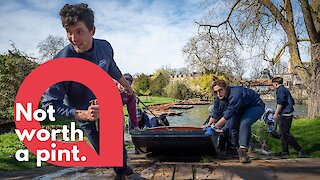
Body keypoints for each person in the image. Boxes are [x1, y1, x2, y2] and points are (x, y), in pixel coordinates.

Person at [41, 3, 134, 177]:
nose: (73, 38)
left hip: (108, 105)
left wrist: (127, 87)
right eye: (69, 32)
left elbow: (112, 67)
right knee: (105, 153)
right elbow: (49, 104)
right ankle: (117, 165)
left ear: (93, 30)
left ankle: (121, 168)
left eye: (79, 31)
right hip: (83, 113)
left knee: (117, 149)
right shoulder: (61, 62)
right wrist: (83, 114)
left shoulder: (105, 47)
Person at [212, 79, 265, 163]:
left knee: (244, 123)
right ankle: (234, 150)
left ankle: (243, 153)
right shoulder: (218, 98)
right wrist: (207, 125)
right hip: (240, 108)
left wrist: (215, 127)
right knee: (233, 127)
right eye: (216, 92)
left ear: (225, 88)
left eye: (220, 90)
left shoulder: (235, 94)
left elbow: (228, 114)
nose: (218, 93)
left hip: (255, 106)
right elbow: (215, 113)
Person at [272, 77, 305, 156]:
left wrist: (276, 113)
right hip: (287, 114)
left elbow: (280, 103)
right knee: (282, 134)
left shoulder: (280, 90)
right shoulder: (285, 90)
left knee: (285, 134)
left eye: (272, 84)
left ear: (276, 84)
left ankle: (300, 149)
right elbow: (292, 101)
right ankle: (285, 151)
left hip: (285, 115)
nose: (272, 85)